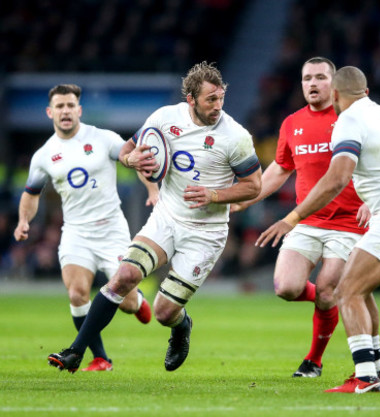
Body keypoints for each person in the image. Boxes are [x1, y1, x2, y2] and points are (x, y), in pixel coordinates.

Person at [47, 62, 262, 373]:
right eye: (210, 99)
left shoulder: (235, 137)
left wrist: (214, 195)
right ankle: (76, 352)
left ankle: (182, 325)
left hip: (205, 233)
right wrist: (130, 158)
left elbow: (254, 185)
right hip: (167, 219)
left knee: (163, 312)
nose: (218, 106)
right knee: (123, 277)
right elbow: (129, 150)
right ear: (191, 98)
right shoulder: (164, 118)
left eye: (221, 98)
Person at [256, 66, 380, 393]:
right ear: (366, 90)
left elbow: (338, 178)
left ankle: (365, 377)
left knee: (346, 292)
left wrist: (293, 216)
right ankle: (376, 372)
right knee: (359, 290)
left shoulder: (347, 121)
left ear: (338, 95)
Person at [232, 57, 366, 377]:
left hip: (348, 223)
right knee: (287, 287)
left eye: (320, 78)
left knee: (326, 287)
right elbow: (280, 168)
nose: (313, 84)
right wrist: (245, 198)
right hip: (307, 221)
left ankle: (313, 361)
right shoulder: (292, 122)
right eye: (307, 78)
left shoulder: (351, 119)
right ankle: (328, 300)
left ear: (333, 84)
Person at [15, 84, 155, 372]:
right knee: (77, 293)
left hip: (111, 230)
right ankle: (101, 358)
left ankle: (137, 300)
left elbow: (132, 159)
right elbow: (31, 193)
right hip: (76, 233)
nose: (65, 111)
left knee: (126, 302)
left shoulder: (103, 138)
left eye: (70, 105)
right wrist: (24, 221)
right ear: (49, 112)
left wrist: (152, 190)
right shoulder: (44, 155)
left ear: (78, 110)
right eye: (60, 106)